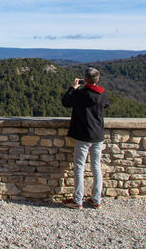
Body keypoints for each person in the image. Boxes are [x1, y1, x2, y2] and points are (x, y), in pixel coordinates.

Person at [61, 67, 110, 209]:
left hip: (83, 135)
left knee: (80, 167)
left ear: (85, 79)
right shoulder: (102, 94)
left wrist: (73, 88)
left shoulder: (80, 94)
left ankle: (77, 200)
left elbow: (65, 102)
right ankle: (96, 199)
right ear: (97, 80)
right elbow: (106, 104)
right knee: (96, 167)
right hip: (98, 135)